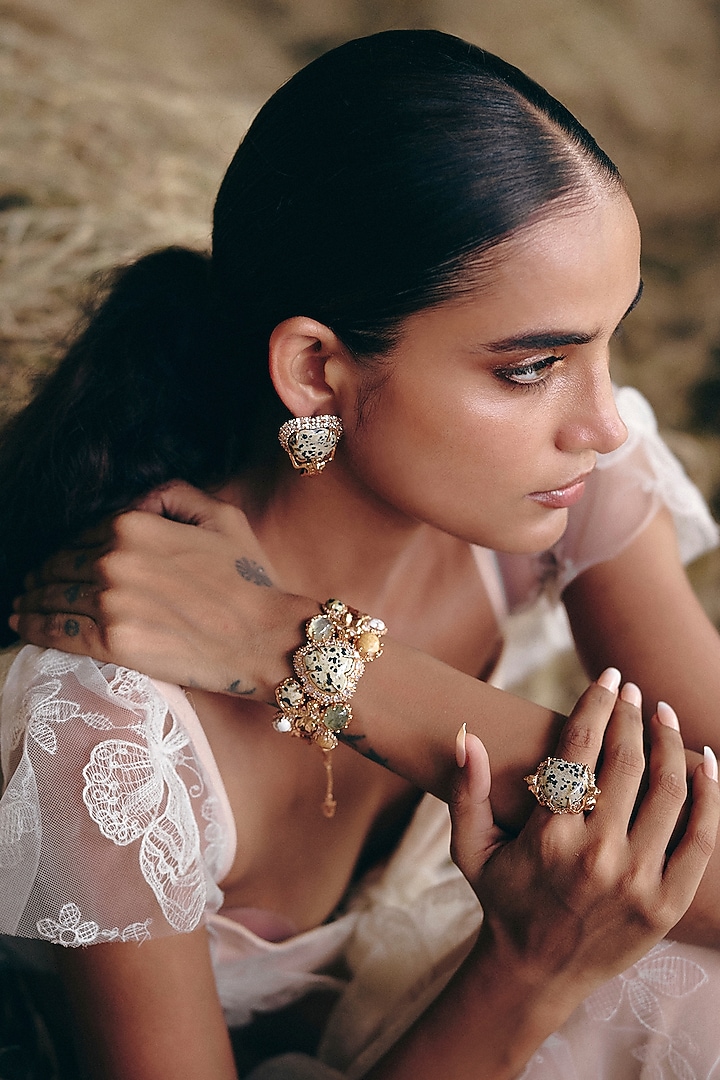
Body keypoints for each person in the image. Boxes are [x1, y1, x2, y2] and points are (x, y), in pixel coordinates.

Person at [1, 27, 719, 1080]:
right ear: (315, 371)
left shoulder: (568, 484)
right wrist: (527, 968)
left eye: (610, 341)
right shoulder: (112, 729)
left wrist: (303, 652)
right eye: (532, 368)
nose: (605, 423)